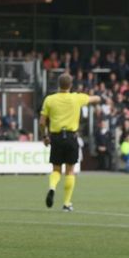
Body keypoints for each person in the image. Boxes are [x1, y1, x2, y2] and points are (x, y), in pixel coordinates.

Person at [40, 73, 101, 212]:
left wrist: (45, 136)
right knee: (70, 171)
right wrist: (98, 97)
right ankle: (67, 204)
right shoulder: (77, 98)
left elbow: (42, 122)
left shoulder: (50, 99)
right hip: (71, 137)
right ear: (71, 85)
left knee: (56, 169)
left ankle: (52, 187)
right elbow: (95, 99)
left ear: (58, 84)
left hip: (56, 137)